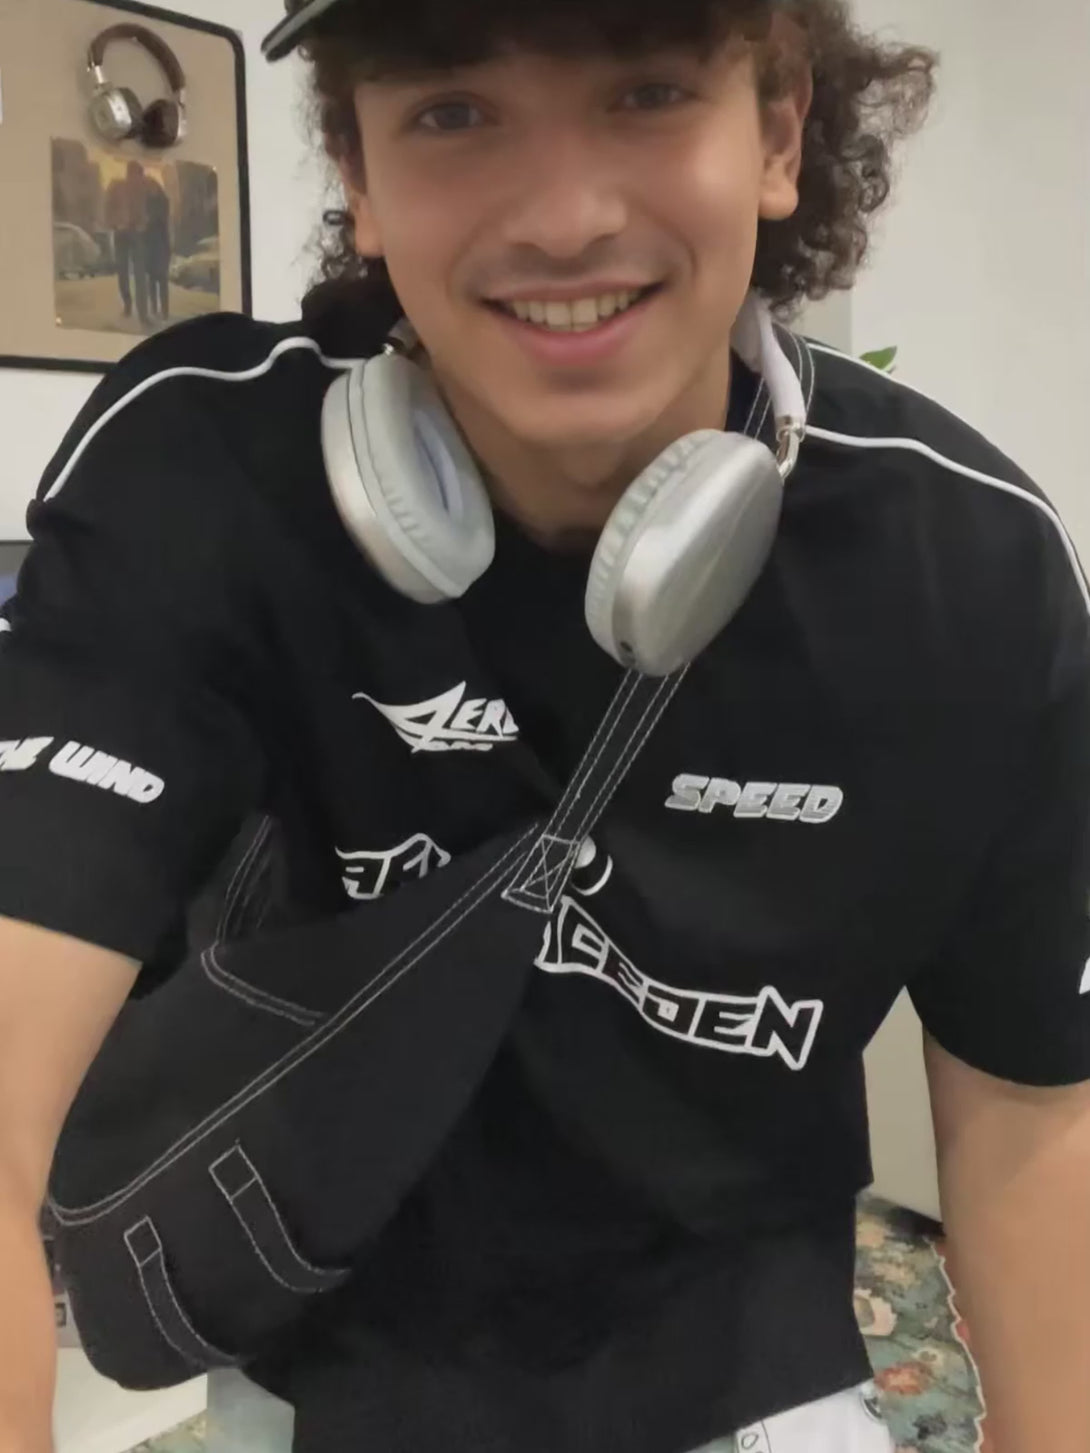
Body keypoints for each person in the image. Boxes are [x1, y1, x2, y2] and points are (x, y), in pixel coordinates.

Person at [2, 0, 1090, 1450]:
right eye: (453, 112)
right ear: (359, 176)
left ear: (777, 135)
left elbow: (1028, 1109)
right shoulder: (204, 477)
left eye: (647, 92)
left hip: (749, 1376)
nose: (565, 218)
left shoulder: (966, 568)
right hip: (318, 1366)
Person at [103, 160, 150, 327]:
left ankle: (143, 314)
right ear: (129, 174)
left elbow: (147, 210)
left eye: (140, 176)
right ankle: (127, 304)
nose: (138, 179)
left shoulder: (143, 191)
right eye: (136, 175)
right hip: (121, 232)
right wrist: (114, 223)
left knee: (140, 274)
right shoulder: (116, 186)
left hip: (136, 233)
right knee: (122, 273)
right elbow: (108, 207)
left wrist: (143, 223)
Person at [143, 178, 172, 321]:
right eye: (149, 187)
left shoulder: (163, 201)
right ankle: (154, 308)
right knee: (152, 279)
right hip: (150, 244)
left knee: (162, 279)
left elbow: (162, 220)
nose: (151, 189)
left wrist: (150, 219)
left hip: (161, 242)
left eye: (153, 186)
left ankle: (164, 310)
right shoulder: (146, 201)